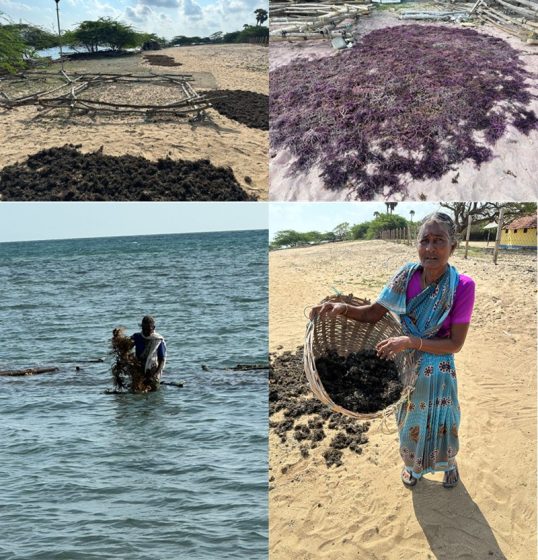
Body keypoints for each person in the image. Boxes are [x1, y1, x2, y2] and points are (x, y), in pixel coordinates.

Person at [311, 212, 475, 489]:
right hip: (405, 367)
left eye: (439, 241)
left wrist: (411, 341)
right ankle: (413, 467)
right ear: (417, 244)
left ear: (453, 247)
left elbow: (455, 344)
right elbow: (373, 314)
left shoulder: (462, 286)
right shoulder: (406, 276)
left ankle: (448, 465)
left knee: (443, 421)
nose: (430, 249)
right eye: (425, 240)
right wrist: (343, 309)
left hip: (439, 370)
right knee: (409, 421)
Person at [131, 315, 167, 387]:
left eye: (149, 329)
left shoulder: (158, 340)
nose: (147, 332)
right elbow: (126, 347)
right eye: (145, 329)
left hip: (152, 371)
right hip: (139, 369)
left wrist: (155, 375)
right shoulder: (137, 337)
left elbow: (162, 360)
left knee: (153, 390)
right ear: (142, 327)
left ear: (153, 328)